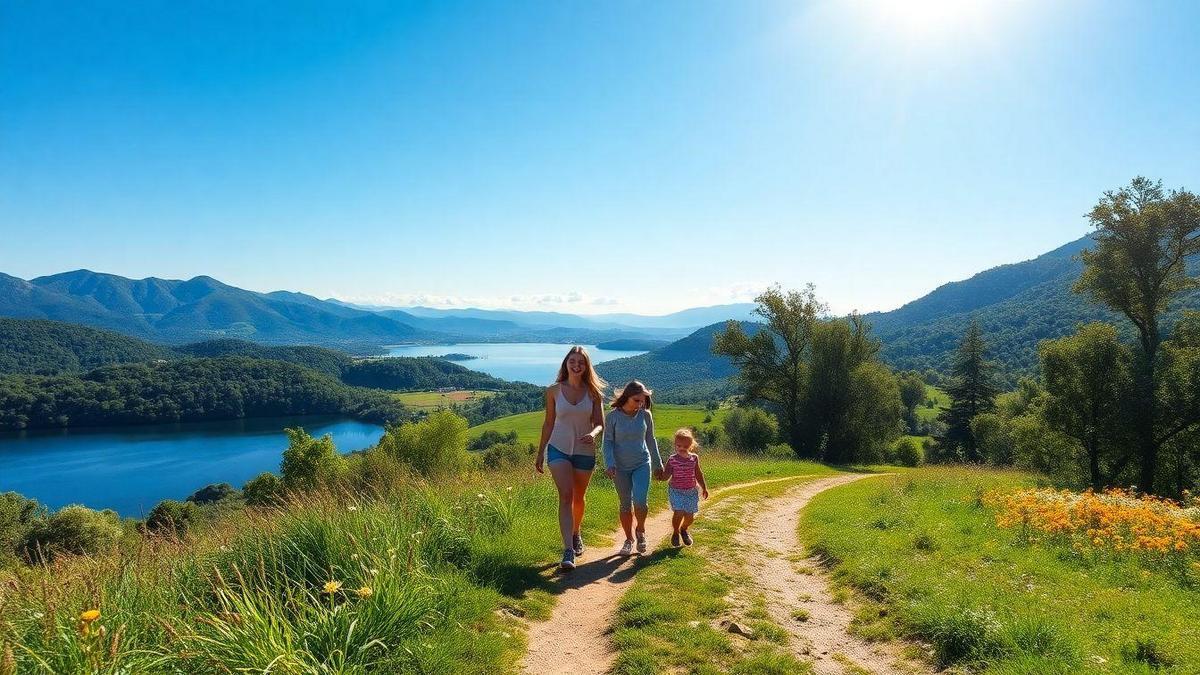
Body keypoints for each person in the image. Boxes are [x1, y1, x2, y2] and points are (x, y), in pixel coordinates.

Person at [536, 346, 606, 571]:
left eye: (581, 362)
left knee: (579, 497)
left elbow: (599, 424)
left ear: (586, 367)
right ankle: (567, 550)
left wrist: (593, 434)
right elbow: (548, 423)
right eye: (572, 361)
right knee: (566, 496)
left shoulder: (594, 393)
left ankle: (576, 533)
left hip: (584, 451)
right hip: (558, 449)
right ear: (566, 363)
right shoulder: (553, 391)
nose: (576, 365)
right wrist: (540, 452)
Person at [603, 380, 664, 556]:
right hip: (619, 467)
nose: (641, 404)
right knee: (624, 504)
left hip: (642, 464)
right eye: (637, 400)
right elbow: (607, 442)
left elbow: (651, 440)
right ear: (626, 397)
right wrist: (609, 463)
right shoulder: (613, 417)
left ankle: (641, 531)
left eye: (643, 400)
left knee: (640, 501)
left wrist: (658, 463)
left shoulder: (646, 415)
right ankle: (629, 539)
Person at [663, 428, 708, 547]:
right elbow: (666, 474)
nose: (682, 448)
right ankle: (675, 532)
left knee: (689, 517)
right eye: (679, 446)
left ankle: (684, 529)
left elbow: (698, 473)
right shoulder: (672, 459)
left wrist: (704, 487)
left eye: (685, 446)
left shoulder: (694, 458)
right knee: (679, 512)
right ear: (675, 445)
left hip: (691, 491)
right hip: (676, 490)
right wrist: (660, 475)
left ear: (691, 446)